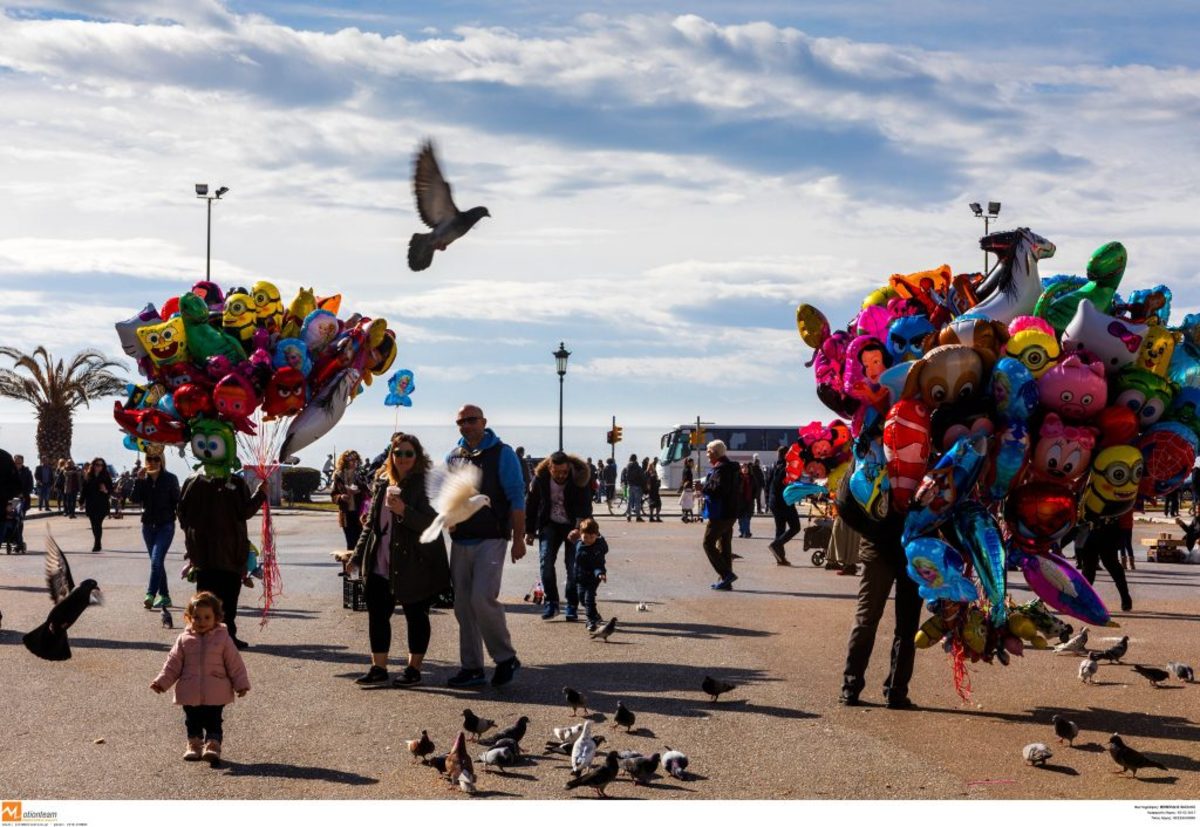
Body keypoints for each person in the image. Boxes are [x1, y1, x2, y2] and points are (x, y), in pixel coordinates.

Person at [350, 432, 451, 688]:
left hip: (412, 562)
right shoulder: (383, 484)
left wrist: (404, 511)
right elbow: (371, 526)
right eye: (397, 453)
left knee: (415, 615)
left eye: (408, 453)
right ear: (390, 456)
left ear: (417, 456)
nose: (402, 458)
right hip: (380, 562)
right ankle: (379, 667)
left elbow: (434, 524)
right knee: (377, 615)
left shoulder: (426, 485)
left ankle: (413, 669)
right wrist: (356, 555)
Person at [444, 404, 526, 688]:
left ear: (483, 422)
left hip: (492, 537)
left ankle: (505, 658)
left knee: (482, 598)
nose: (466, 425)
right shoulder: (453, 456)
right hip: (461, 539)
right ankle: (472, 667)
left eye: (471, 420)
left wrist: (518, 539)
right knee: (463, 606)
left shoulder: (502, 453)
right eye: (461, 422)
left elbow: (516, 497)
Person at [150, 591, 251, 765]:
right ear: (189, 618)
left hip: (216, 690)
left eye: (207, 617)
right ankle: (194, 745)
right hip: (189, 690)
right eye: (197, 617)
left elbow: (235, 663)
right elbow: (172, 664)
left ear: (216, 618)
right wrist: (162, 682)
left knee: (214, 720)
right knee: (192, 720)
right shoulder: (183, 640)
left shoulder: (223, 639)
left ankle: (212, 745)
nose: (201, 621)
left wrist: (241, 684)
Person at [178, 462, 266, 650]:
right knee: (226, 598)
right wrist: (260, 494)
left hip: (208, 552)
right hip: (228, 552)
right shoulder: (231, 481)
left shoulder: (194, 481)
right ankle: (225, 636)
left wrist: (192, 537)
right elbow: (245, 511)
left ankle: (207, 636)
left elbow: (182, 513)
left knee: (207, 598)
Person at [840, 515, 921, 710]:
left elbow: (844, 502)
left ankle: (851, 688)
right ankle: (895, 692)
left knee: (868, 620)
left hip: (890, 550)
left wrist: (871, 530)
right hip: (910, 550)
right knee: (904, 626)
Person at [524, 451, 594, 621]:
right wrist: (529, 531)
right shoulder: (540, 480)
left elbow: (585, 507)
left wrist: (578, 528)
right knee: (545, 561)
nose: (562, 475)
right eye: (557, 472)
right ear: (550, 468)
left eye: (565, 472)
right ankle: (552, 602)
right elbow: (531, 505)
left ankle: (571, 604)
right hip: (550, 524)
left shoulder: (579, 479)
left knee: (573, 566)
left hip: (573, 525)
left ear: (569, 467)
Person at [132, 451, 181, 610]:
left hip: (165, 525)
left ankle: (151, 594)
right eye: (149, 459)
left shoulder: (170, 478)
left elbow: (177, 501)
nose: (152, 462)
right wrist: (138, 481)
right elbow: (134, 499)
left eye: (156, 459)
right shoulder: (143, 479)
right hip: (148, 526)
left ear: (162, 461)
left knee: (156, 560)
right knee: (157, 562)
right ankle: (165, 596)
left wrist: (185, 522)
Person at [701, 440, 740, 590]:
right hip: (730, 513)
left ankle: (726, 574)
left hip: (720, 513)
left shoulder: (721, 469)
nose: (707, 455)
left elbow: (719, 491)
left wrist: (703, 488)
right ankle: (726, 580)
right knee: (724, 545)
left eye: (709, 452)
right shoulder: (731, 468)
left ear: (716, 453)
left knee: (708, 543)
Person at [1076, 516, 1133, 612]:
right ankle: (1083, 600)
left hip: (1108, 532)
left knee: (1113, 566)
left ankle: (1125, 598)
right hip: (1089, 532)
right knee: (1088, 570)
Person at [567, 518, 609, 631]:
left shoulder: (597, 548)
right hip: (580, 577)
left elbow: (598, 564)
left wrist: (600, 573)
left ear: (596, 535)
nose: (589, 540)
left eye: (592, 537)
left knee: (588, 599)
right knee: (582, 598)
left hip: (593, 577)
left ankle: (591, 620)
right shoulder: (579, 544)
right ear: (581, 535)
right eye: (585, 537)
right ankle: (594, 614)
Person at [766, 446, 798, 565]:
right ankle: (776, 545)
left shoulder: (772, 466)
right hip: (785, 502)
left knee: (780, 529)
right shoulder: (787, 467)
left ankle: (780, 558)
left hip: (774, 502)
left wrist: (769, 501)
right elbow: (785, 485)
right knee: (795, 527)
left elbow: (767, 484)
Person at [331, 450, 367, 551]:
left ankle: (359, 565)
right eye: (350, 459)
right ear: (345, 461)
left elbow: (368, 491)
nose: (353, 462)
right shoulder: (339, 476)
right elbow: (333, 495)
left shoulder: (360, 474)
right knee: (350, 542)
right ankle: (350, 565)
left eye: (355, 459)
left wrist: (359, 491)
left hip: (359, 513)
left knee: (360, 543)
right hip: (346, 514)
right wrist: (341, 497)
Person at [80, 457, 113, 552]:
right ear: (93, 466)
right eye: (97, 465)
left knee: (98, 524)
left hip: (102, 504)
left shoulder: (106, 476)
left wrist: (105, 490)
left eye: (101, 465)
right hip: (91, 504)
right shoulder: (88, 476)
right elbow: (84, 491)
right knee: (94, 524)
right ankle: (97, 541)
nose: (99, 467)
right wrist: (81, 502)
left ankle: (97, 543)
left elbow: (111, 489)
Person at [623, 454, 645, 522]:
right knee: (637, 502)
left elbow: (625, 475)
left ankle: (628, 516)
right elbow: (642, 476)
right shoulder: (638, 467)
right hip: (637, 486)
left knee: (629, 501)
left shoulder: (627, 466)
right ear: (636, 459)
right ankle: (638, 517)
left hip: (630, 486)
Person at [736, 462, 755, 538]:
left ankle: (747, 532)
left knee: (747, 517)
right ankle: (742, 531)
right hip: (740, 501)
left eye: (746, 468)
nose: (745, 469)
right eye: (743, 468)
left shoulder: (752, 478)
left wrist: (754, 496)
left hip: (749, 500)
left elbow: (756, 488)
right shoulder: (738, 478)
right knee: (740, 518)